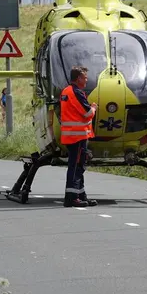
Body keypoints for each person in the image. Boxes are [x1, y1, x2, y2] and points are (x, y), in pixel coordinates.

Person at [59, 66, 98, 207]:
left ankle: (81, 195)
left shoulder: (66, 91)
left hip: (74, 136)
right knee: (76, 167)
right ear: (78, 78)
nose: (87, 79)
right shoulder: (75, 92)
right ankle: (71, 197)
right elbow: (87, 113)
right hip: (77, 137)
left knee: (79, 165)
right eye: (85, 77)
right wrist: (93, 107)